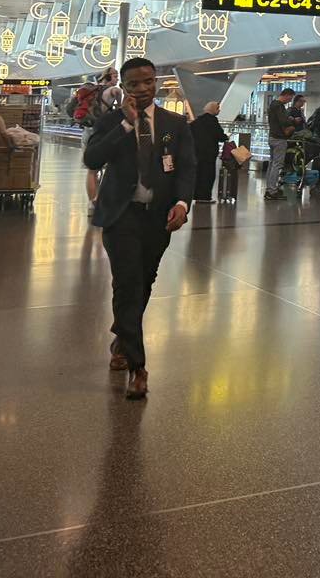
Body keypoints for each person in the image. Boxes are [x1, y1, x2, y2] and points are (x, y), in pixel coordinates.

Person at [83, 56, 196, 399]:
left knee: (144, 280)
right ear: (124, 87)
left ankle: (122, 335)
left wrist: (182, 203)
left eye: (148, 81)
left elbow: (187, 168)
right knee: (128, 284)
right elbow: (92, 159)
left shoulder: (175, 123)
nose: (143, 89)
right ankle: (138, 367)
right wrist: (125, 125)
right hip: (121, 215)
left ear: (156, 81)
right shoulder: (110, 121)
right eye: (134, 84)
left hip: (158, 216)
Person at [262, 87, 298, 200]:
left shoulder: (273, 104)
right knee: (277, 164)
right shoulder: (279, 106)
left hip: (272, 137)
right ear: (286, 95)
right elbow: (283, 121)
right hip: (279, 139)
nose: (290, 100)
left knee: (272, 164)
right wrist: (292, 121)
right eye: (290, 98)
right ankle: (272, 190)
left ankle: (269, 188)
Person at [191, 101, 227, 204]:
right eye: (218, 108)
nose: (219, 110)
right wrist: (226, 137)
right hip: (209, 153)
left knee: (198, 174)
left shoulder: (198, 121)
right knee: (208, 175)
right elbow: (220, 136)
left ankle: (197, 195)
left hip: (197, 152)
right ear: (213, 110)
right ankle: (205, 197)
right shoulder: (213, 121)